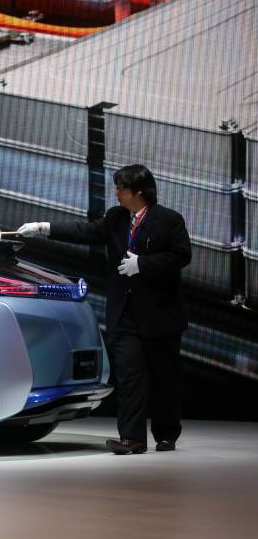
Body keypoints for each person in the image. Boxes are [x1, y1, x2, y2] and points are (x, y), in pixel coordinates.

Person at [17, 164, 191, 455]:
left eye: (121, 187)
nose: (117, 193)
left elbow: (181, 255)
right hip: (124, 313)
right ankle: (132, 439)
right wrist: (44, 228)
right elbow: (86, 231)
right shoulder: (116, 218)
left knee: (164, 380)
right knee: (129, 376)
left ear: (139, 191)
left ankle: (166, 434)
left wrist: (143, 264)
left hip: (160, 315)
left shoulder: (168, 220)